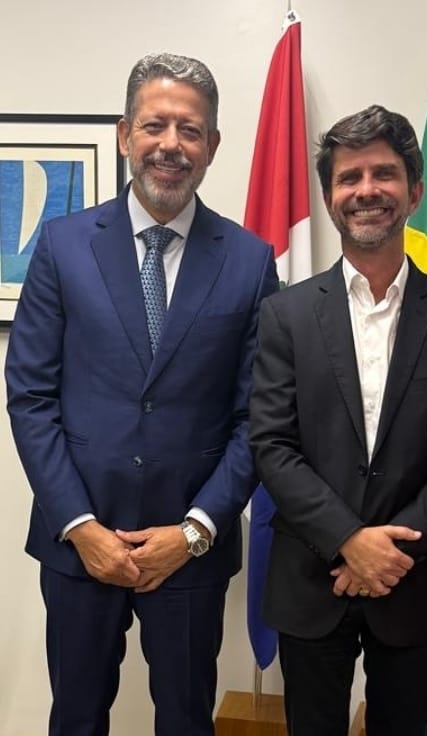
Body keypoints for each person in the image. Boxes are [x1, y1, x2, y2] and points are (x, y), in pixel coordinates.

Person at [5, 52, 278, 736]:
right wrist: (81, 526)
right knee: (75, 718)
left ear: (212, 144)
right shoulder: (63, 245)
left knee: (187, 721)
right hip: (78, 544)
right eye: (155, 125)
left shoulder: (250, 261)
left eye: (190, 129)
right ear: (126, 134)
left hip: (189, 550)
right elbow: (31, 394)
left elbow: (258, 416)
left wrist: (193, 532)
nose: (171, 145)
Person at [248, 104, 427, 736]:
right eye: (348, 177)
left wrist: (390, 551)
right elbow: (272, 444)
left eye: (383, 173)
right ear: (330, 197)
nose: (366, 190)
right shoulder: (285, 315)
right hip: (312, 577)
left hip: (414, 578)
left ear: (415, 191)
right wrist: (349, 540)